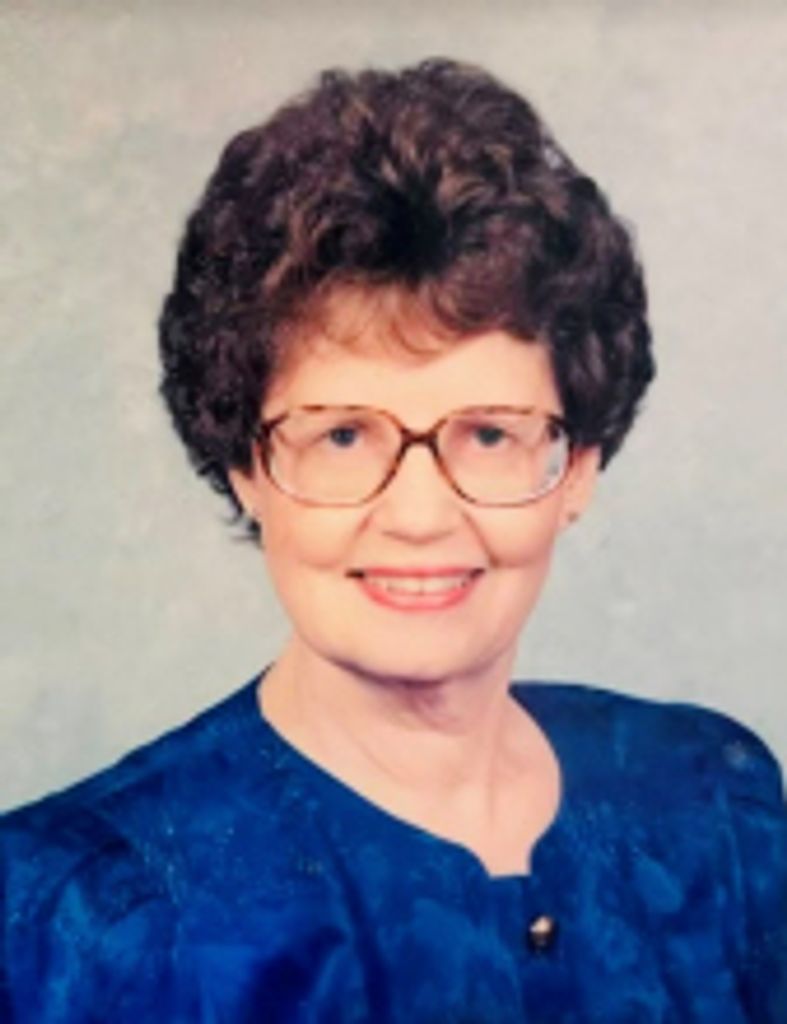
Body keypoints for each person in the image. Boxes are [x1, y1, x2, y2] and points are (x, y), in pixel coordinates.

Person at [1, 58, 785, 1023]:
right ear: (245, 466)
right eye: (342, 436)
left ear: (576, 467)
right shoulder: (74, 916)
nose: (418, 516)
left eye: (488, 434)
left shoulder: (712, 809)